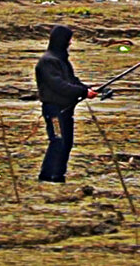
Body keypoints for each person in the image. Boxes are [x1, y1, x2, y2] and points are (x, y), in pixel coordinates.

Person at [35, 24, 98, 183]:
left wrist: (86, 88)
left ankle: (58, 175)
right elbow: (59, 86)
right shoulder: (47, 62)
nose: (70, 43)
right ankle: (48, 176)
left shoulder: (61, 60)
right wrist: (83, 92)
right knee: (57, 140)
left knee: (67, 143)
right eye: (69, 39)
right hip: (54, 111)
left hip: (66, 110)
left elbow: (71, 81)